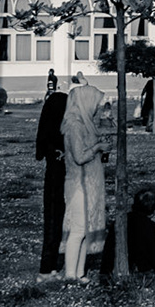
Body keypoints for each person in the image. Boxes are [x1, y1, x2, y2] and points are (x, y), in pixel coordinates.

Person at [60, 81, 108, 283]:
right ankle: (70, 275)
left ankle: (79, 273)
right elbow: (79, 157)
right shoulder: (74, 126)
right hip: (79, 184)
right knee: (78, 229)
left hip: (87, 182)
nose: (97, 107)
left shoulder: (84, 124)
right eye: (94, 103)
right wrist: (97, 148)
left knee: (84, 229)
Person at [35, 74, 68, 282]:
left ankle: (50, 265)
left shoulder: (49, 138)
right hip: (59, 181)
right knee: (55, 221)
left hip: (52, 179)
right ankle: (48, 268)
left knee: (53, 221)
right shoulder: (59, 143)